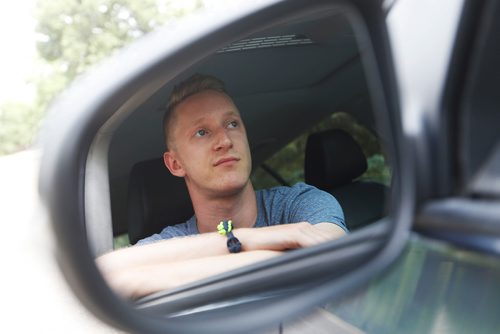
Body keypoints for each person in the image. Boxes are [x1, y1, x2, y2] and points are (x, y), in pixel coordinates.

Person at [97, 74, 347, 299]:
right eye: (202, 132)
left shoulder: (300, 203)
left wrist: (153, 279)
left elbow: (333, 254)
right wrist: (240, 239)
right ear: (175, 164)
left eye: (232, 124)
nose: (225, 140)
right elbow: (103, 274)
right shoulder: (173, 241)